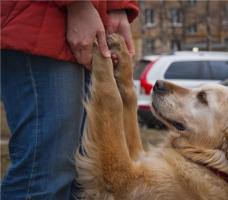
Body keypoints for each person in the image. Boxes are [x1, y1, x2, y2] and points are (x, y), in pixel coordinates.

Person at [0, 1, 139, 199]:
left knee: (80, 179)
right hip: (39, 16)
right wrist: (78, 4)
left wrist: (115, 6)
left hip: (87, 18)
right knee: (44, 178)